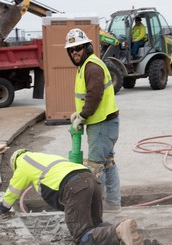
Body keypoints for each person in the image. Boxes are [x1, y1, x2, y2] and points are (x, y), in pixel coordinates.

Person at [0, 149, 145, 245]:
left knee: (82, 237)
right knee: (94, 224)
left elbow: (12, 191)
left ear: (14, 163)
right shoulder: (43, 157)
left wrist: (3, 209)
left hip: (75, 187)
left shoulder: (23, 163)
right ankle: (124, 235)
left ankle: (118, 230)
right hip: (90, 179)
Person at [65, 28, 121, 212]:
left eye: (78, 48)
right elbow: (89, 95)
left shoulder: (92, 66)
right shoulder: (86, 65)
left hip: (101, 124)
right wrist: (79, 113)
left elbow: (94, 96)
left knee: (96, 168)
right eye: (71, 49)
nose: (75, 52)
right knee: (108, 163)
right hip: (105, 123)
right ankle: (113, 204)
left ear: (87, 47)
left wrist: (82, 116)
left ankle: (97, 212)